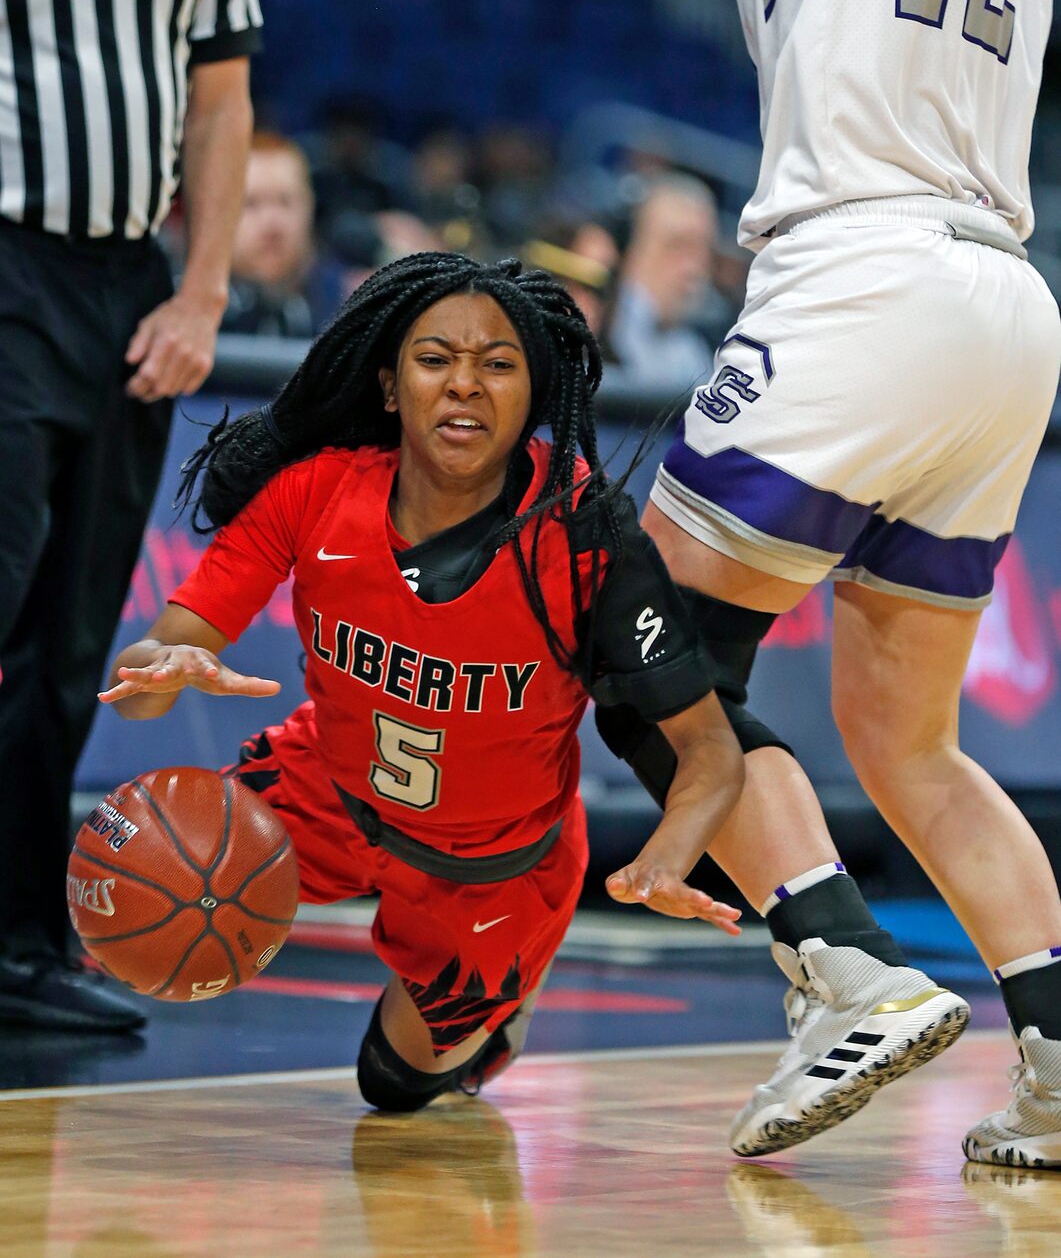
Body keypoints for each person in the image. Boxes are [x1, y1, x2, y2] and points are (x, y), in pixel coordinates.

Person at [348, 0, 1061, 1165]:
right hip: (1007, 305)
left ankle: (842, 965)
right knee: (910, 739)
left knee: (628, 636)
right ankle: (1053, 1055)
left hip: (870, 281)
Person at [99, 252, 744, 1108]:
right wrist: (162, 669)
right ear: (392, 387)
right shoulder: (313, 494)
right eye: (436, 360)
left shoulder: (585, 533)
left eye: (498, 365)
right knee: (147, 903)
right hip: (328, 795)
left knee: (393, 1085)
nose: (465, 386)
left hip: (495, 864)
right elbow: (142, 684)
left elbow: (710, 749)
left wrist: (665, 859)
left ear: (535, 392)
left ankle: (502, 1011)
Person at [0, 0, 259, 1032]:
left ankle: (24, 939)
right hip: (4, 257)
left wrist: (206, 289)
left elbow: (220, 104)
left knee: (73, 638)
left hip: (127, 283)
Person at [222, 130, 346, 337]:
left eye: (285, 202)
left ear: (310, 208)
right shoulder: (178, 314)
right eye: (251, 204)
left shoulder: (351, 305)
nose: (273, 224)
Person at [608, 174, 730, 384]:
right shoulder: (595, 327)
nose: (694, 269)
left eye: (705, 249)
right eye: (677, 246)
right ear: (629, 250)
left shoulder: (694, 352)